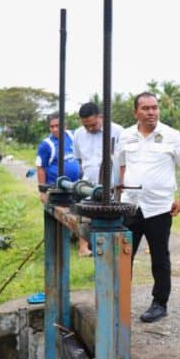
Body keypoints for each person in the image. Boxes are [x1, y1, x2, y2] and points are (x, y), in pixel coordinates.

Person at [117, 92, 180, 323]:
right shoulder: (126, 136)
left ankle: (160, 303)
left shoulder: (171, 135)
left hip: (159, 208)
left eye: (154, 108)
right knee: (124, 255)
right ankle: (120, 300)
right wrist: (122, 193)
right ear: (136, 112)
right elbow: (121, 164)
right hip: (130, 206)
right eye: (146, 108)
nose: (151, 112)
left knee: (160, 257)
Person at [73, 101, 123, 257]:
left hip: (112, 183)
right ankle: (83, 248)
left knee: (110, 218)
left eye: (93, 125)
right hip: (89, 181)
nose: (89, 128)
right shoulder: (78, 133)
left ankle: (110, 250)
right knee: (85, 214)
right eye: (86, 125)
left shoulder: (118, 131)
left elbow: (122, 160)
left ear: (101, 116)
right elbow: (79, 159)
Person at [36, 112, 80, 187]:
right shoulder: (46, 145)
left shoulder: (73, 136)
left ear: (65, 126)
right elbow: (40, 168)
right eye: (52, 127)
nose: (54, 129)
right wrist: (42, 191)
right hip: (55, 189)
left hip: (75, 187)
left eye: (57, 126)